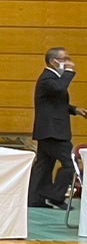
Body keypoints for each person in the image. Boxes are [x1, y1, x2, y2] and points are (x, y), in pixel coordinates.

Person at [30, 48, 85, 209]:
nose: (70, 61)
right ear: (55, 61)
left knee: (44, 166)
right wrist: (69, 71)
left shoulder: (51, 78)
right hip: (53, 132)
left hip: (48, 131)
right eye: (65, 59)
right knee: (71, 163)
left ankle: (34, 199)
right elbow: (60, 89)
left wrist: (74, 110)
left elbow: (55, 103)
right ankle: (55, 195)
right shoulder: (48, 78)